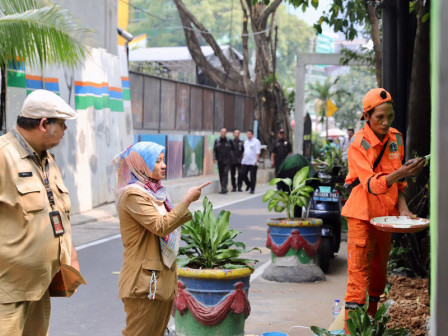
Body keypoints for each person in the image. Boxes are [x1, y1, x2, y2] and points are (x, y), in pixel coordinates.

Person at [0, 89, 86, 335]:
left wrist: (71, 253)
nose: (65, 130)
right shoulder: (4, 155)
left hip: (39, 286)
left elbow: (58, 211)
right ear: (43, 124)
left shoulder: (47, 160)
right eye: (62, 124)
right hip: (7, 292)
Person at [341, 88, 425, 333]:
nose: (386, 122)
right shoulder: (358, 145)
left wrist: (404, 209)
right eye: (380, 117)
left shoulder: (396, 138)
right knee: (358, 280)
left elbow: (398, 184)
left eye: (390, 116)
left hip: (385, 217)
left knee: (378, 279)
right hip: (361, 215)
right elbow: (373, 184)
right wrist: (403, 172)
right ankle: (352, 332)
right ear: (367, 116)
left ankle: (370, 328)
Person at [113, 142, 209, 336]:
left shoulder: (156, 193)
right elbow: (161, 226)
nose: (163, 165)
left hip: (160, 282)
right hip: (144, 283)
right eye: (157, 161)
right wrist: (187, 201)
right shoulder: (132, 194)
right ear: (141, 164)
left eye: (163, 160)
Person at [213, 128, 234, 194]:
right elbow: (214, 150)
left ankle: (224, 188)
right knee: (221, 174)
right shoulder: (217, 140)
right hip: (220, 160)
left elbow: (233, 150)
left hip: (228, 160)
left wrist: (232, 159)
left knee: (225, 173)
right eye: (222, 132)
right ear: (220, 133)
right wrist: (214, 158)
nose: (223, 133)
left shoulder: (229, 140)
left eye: (224, 132)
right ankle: (223, 188)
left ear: (226, 133)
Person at [240, 129, 261, 194]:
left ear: (252, 134)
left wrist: (256, 160)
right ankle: (248, 184)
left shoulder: (256, 141)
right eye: (247, 134)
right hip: (246, 161)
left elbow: (258, 151)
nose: (248, 135)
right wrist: (243, 161)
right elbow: (245, 152)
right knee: (242, 174)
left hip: (253, 162)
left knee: (252, 176)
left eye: (249, 134)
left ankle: (252, 189)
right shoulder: (246, 142)